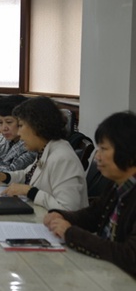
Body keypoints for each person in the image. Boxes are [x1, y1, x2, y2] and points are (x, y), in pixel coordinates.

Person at [44, 111, 136, 275]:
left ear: (129, 152)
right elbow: (94, 215)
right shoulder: (117, 184)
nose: (97, 157)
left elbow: (130, 257)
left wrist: (71, 234)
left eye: (104, 149)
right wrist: (61, 216)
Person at [0, 96, 88, 211]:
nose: (19, 132)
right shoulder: (46, 149)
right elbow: (27, 175)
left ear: (37, 126)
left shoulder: (62, 158)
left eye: (21, 126)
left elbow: (69, 209)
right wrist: (5, 176)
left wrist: (30, 191)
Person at [0, 95, 37, 171]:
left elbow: (13, 170)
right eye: (0, 122)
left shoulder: (30, 145)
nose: (4, 128)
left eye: (9, 122)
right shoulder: (10, 141)